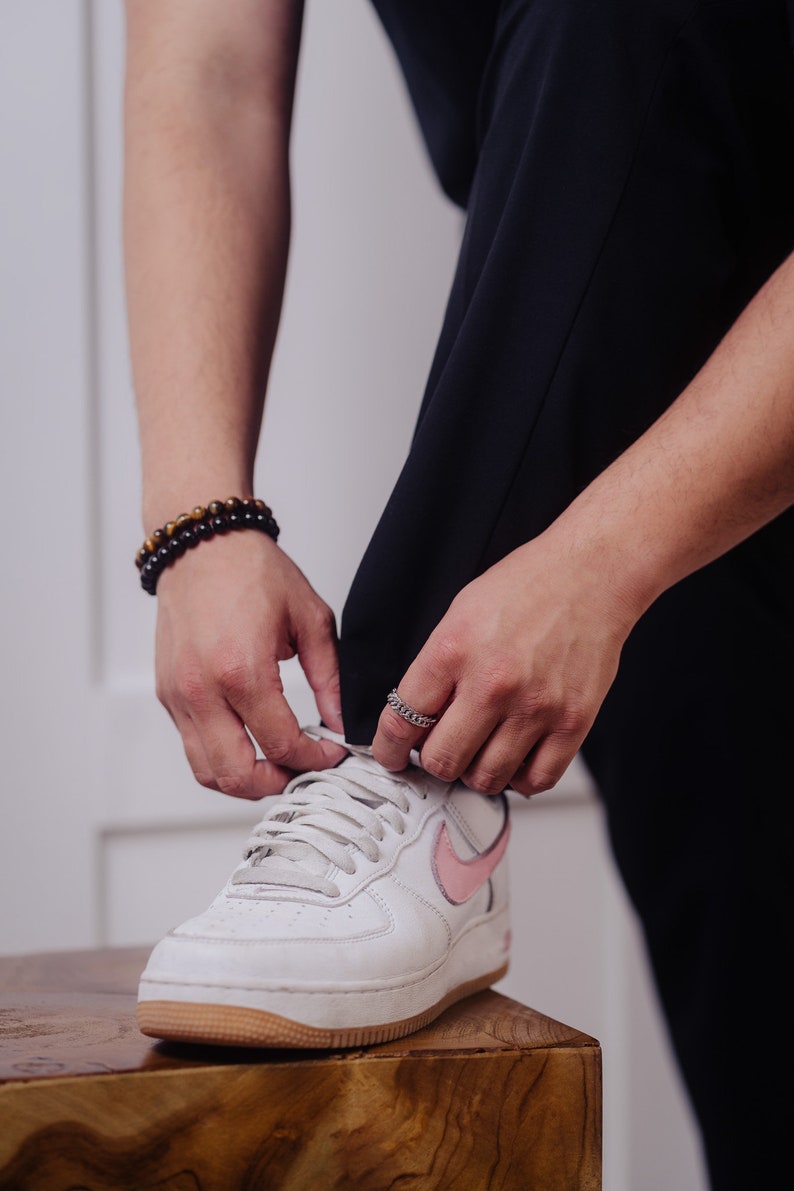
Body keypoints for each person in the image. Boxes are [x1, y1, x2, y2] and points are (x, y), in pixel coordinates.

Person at [122, 2, 794, 1188]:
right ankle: (417, 770)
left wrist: (601, 559)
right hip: (637, 436)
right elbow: (208, 70)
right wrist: (198, 522)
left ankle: (408, 770)